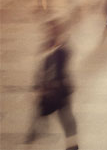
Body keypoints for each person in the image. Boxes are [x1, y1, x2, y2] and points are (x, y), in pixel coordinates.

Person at [25, 19, 79, 150]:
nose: (49, 33)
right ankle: (28, 142)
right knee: (40, 120)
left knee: (68, 123)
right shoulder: (46, 47)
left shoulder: (62, 50)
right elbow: (41, 70)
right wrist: (37, 87)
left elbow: (61, 66)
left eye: (52, 31)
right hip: (49, 93)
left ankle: (72, 147)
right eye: (48, 31)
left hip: (59, 92)